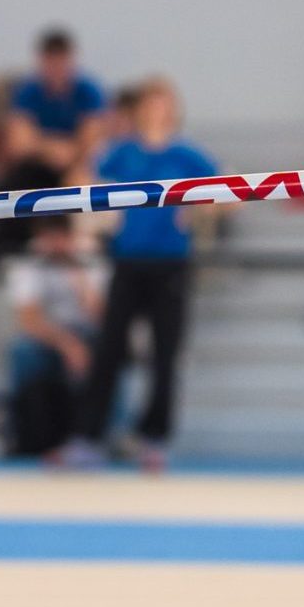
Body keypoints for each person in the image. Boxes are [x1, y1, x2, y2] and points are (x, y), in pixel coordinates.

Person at [61, 78, 217, 474]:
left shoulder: (186, 154)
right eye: (151, 104)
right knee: (109, 350)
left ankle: (154, 439)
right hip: (128, 262)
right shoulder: (122, 152)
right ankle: (88, 437)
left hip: (171, 265)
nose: (157, 112)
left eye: (164, 104)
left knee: (164, 355)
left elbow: (229, 194)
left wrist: (198, 210)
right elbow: (80, 180)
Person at [6, 213, 103, 456]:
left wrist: (79, 279)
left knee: (108, 356)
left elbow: (102, 318)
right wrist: (67, 345)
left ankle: (94, 437)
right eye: (50, 238)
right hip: (48, 338)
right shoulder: (29, 267)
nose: (56, 245)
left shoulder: (91, 265)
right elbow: (29, 320)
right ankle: (34, 438)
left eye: (61, 237)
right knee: (24, 352)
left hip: (87, 335)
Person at [4, 29, 108, 187]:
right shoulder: (27, 91)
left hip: (77, 167)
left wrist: (47, 146)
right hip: (37, 167)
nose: (57, 68)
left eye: (61, 61)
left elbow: (92, 141)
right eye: (51, 61)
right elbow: (18, 144)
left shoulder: (88, 91)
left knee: (83, 180)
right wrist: (53, 150)